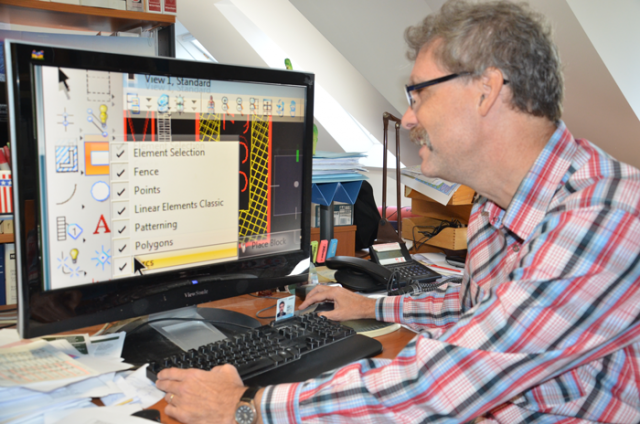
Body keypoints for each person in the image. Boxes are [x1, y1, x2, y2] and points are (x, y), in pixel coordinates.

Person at [155, 1, 640, 422]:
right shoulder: (497, 203)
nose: (407, 116)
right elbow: (481, 311)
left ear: (486, 90)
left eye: (419, 93)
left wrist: (245, 408)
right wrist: (369, 305)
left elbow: (446, 382)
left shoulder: (605, 214)